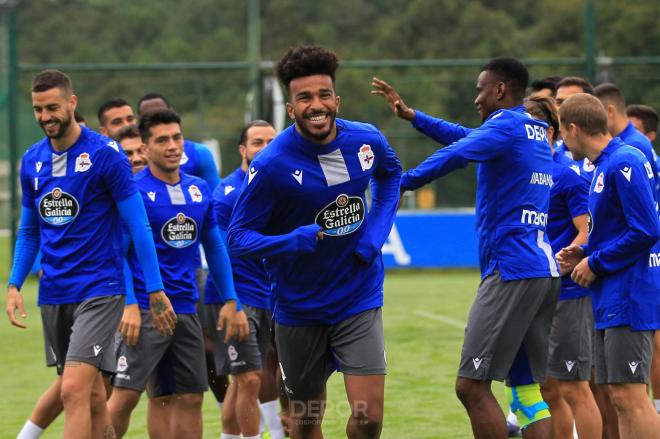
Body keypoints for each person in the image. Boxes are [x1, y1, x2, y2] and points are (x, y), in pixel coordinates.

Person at [372, 57, 560, 438]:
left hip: (511, 271)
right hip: (541, 271)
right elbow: (464, 138)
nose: (476, 97)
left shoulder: (506, 126)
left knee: (470, 385)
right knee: (525, 392)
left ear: (500, 90)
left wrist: (403, 183)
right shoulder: (532, 130)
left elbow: (457, 154)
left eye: (480, 89)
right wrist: (414, 117)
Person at [228, 46, 401, 439]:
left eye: (323, 95)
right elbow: (237, 238)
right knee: (305, 422)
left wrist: (373, 237)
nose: (316, 105)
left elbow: (391, 177)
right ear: (291, 109)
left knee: (368, 416)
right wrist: (289, 241)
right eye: (304, 98)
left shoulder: (365, 141)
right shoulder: (272, 164)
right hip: (299, 308)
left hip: (358, 297)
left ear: (336, 100)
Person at [6, 69, 169, 439]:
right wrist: (15, 283)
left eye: (52, 107)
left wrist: (155, 289)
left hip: (100, 288)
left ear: (72, 103)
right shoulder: (31, 161)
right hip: (55, 293)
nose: (46, 116)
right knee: (94, 395)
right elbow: (30, 230)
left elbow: (139, 226)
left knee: (73, 390)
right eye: (37, 109)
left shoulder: (105, 156)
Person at [107, 108, 248, 438]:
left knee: (186, 396)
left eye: (177, 137)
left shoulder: (198, 189)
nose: (173, 145)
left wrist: (230, 298)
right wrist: (128, 304)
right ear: (144, 147)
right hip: (144, 309)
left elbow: (215, 247)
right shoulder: (133, 192)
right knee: (125, 396)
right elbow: (118, 254)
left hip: (186, 308)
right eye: (162, 140)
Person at [557, 93, 660, 439]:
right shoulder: (604, 165)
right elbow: (615, 228)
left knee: (632, 397)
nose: (561, 140)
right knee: (619, 397)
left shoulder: (623, 161)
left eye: (561, 130)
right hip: (611, 296)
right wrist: (583, 250)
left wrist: (596, 263)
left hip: (629, 294)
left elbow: (646, 230)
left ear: (572, 128)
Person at [525, 96, 602, 438]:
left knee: (574, 387)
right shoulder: (527, 176)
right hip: (540, 291)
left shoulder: (567, 177)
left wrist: (572, 253)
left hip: (569, 293)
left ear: (550, 132)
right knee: (549, 389)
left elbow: (589, 230)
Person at [205, 120, 285, 439]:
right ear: (243, 150)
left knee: (244, 379)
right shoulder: (226, 195)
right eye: (257, 143)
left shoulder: (281, 188)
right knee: (250, 377)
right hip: (235, 297)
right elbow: (219, 253)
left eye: (271, 142)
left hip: (266, 295)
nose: (265, 149)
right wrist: (233, 302)